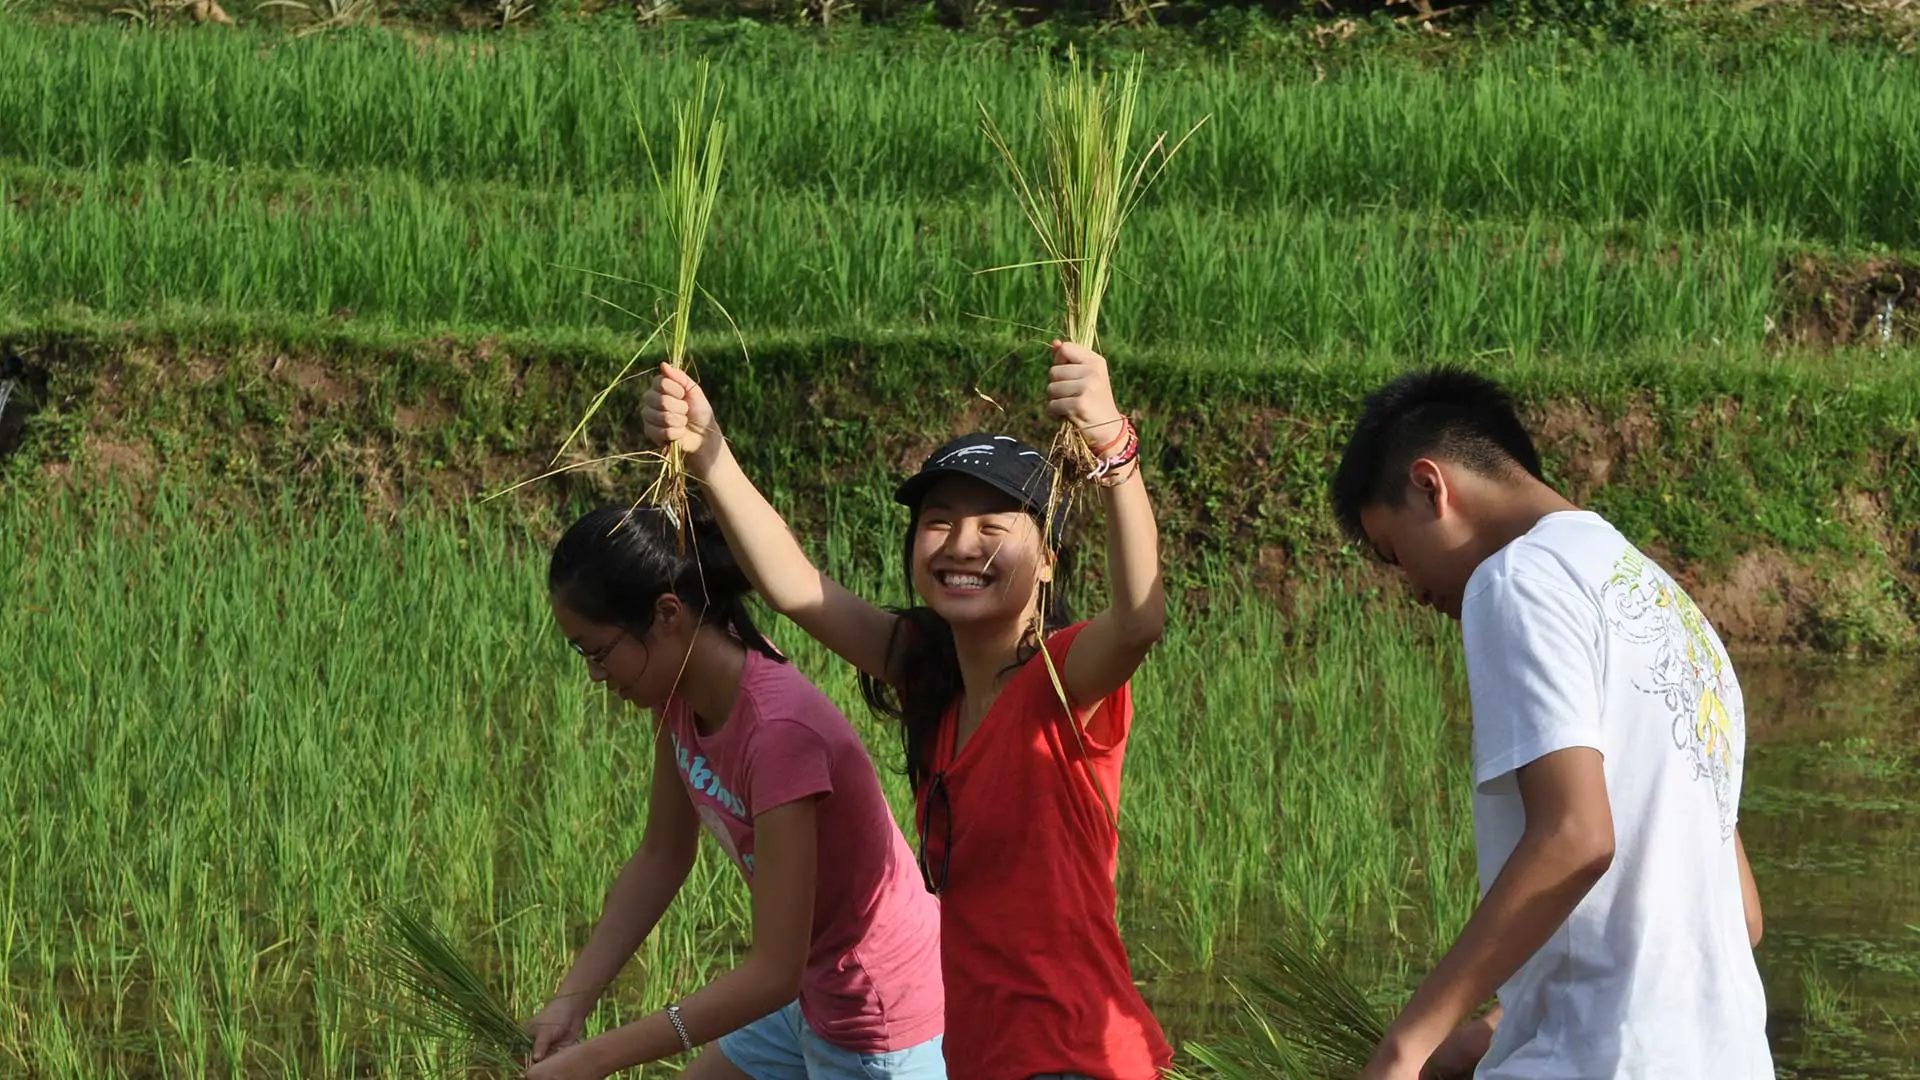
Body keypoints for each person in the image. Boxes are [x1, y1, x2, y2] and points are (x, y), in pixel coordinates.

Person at [641, 340, 1172, 1080]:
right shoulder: (932, 680)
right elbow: (796, 587)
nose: (961, 544)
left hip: (1074, 1057)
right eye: (939, 522)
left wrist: (1114, 445)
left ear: (1049, 557)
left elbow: (1141, 620)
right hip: (983, 1057)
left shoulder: (1061, 682)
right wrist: (709, 453)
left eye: (994, 526)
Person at [1329, 367, 1771, 1080]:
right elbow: (1739, 913)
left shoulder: (1516, 579)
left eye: (1393, 554)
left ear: (1429, 485)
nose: (1411, 590)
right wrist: (1496, 1029)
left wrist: (1404, 1049)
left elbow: (1575, 837)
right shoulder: (1671, 609)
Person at [523, 502, 946, 1080]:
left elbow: (774, 972)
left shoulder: (778, 737)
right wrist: (571, 1003)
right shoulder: (678, 693)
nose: (596, 675)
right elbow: (661, 856)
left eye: (598, 651)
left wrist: (595, 1059)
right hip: (808, 993)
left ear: (667, 613)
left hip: (877, 1020)